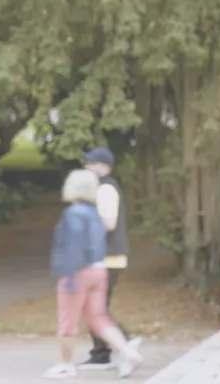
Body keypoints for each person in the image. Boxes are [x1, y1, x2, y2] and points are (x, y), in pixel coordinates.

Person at [42, 169, 142, 380]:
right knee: (98, 318)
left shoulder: (74, 213)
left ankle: (66, 364)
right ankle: (128, 352)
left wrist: (68, 276)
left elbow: (74, 247)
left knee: (67, 321)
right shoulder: (95, 213)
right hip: (98, 269)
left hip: (78, 272)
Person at [78, 147, 142, 371]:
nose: (86, 167)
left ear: (104, 166)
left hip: (108, 258)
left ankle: (123, 341)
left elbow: (109, 222)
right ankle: (101, 353)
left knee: (95, 308)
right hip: (104, 257)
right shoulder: (101, 187)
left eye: (91, 163)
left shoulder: (106, 188)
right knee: (93, 306)